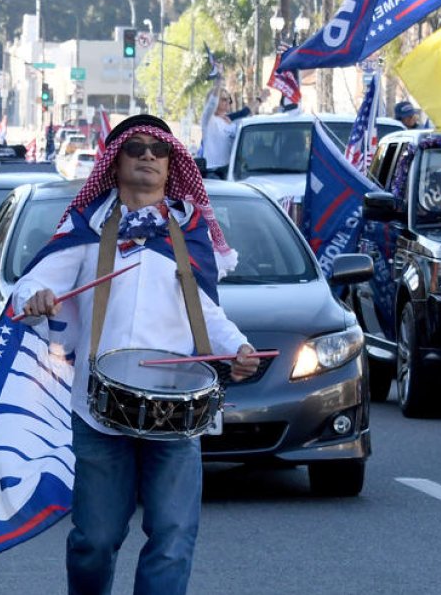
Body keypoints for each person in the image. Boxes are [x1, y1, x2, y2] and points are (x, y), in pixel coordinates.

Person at [13, 114, 259, 595]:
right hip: (100, 410)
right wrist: (36, 297)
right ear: (115, 160)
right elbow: (33, 283)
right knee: (95, 540)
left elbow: (207, 312)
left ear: (171, 164)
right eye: (136, 146)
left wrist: (238, 348)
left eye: (159, 149)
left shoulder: (188, 232)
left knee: (173, 537)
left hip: (176, 412)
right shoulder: (88, 227)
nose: (148, 155)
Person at [199, 79, 235, 177]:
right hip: (214, 172)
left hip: (230, 172)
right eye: (223, 99)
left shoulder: (231, 123)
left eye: (229, 99)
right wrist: (218, 84)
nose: (228, 101)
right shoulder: (208, 120)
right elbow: (211, 104)